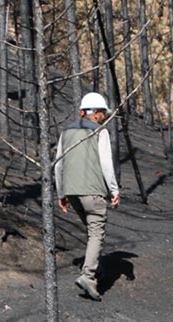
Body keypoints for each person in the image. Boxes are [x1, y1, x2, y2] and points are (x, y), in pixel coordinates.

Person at [55, 92, 121, 301]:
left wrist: (61, 192)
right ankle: (88, 275)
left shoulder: (65, 133)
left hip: (72, 192)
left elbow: (58, 164)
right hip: (93, 191)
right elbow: (106, 164)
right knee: (96, 232)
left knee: (91, 230)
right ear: (95, 113)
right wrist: (114, 189)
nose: (103, 117)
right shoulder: (100, 132)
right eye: (102, 113)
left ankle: (97, 268)